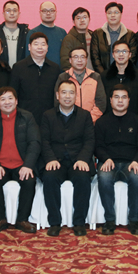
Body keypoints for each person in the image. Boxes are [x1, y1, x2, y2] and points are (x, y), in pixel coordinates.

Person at [0, 87, 40, 234]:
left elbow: (35, 142)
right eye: (3, 99)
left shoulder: (27, 117)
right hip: (0, 165)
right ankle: (0, 219)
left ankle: (22, 220)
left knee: (29, 181)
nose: (7, 102)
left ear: (16, 101)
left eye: (10, 98)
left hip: (22, 164)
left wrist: (28, 165)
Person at [39, 80, 96, 237]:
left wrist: (83, 159)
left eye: (71, 93)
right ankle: (54, 222)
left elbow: (89, 140)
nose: (67, 96)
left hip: (78, 160)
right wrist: (50, 159)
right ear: (58, 95)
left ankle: (79, 223)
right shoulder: (48, 115)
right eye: (64, 92)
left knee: (83, 179)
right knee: (49, 178)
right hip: (56, 160)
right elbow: (44, 141)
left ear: (76, 96)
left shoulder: (84, 115)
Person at [95, 85, 138, 235]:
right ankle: (109, 220)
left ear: (129, 100)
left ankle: (133, 220)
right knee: (104, 177)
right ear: (110, 100)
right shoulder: (101, 122)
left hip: (131, 163)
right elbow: (98, 146)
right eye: (116, 97)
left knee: (137, 178)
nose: (120, 101)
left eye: (124, 97)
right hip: (109, 162)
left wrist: (137, 161)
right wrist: (105, 158)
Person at [10, 32, 62, 126]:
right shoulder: (18, 67)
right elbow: (13, 93)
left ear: (47, 47)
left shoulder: (54, 68)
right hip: (24, 119)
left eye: (43, 44)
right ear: (29, 47)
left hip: (50, 119)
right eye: (36, 44)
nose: (40, 47)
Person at [54, 47, 107, 122]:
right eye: (76, 57)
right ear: (70, 60)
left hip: (91, 122)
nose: (79, 60)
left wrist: (88, 119)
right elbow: (58, 101)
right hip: (68, 122)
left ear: (86, 60)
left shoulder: (95, 76)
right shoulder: (63, 77)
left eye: (82, 57)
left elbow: (101, 103)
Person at [101, 39, 138, 116]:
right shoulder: (104, 76)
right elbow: (101, 101)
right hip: (109, 119)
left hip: (134, 120)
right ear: (113, 55)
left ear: (130, 54)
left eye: (124, 51)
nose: (121, 54)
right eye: (117, 51)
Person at [91, 1, 138, 74]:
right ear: (106, 15)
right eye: (109, 13)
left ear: (121, 14)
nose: (112, 15)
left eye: (116, 12)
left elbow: (132, 57)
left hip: (124, 74)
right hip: (103, 75)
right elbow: (95, 57)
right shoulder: (97, 34)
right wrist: (104, 75)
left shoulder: (130, 35)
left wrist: (121, 73)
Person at [0, 0, 29, 69]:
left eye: (14, 11)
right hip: (0, 70)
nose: (12, 13)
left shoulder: (26, 32)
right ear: (3, 14)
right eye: (8, 11)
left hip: (21, 70)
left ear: (19, 14)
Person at [27, 1, 67, 66]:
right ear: (40, 13)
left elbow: (66, 55)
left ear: (56, 12)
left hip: (60, 71)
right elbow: (28, 56)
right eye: (45, 11)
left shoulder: (62, 32)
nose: (48, 13)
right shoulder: (33, 32)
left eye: (51, 10)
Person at [60, 7, 94, 71]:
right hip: (77, 75)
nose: (82, 20)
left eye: (84, 17)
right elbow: (65, 61)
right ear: (73, 21)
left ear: (89, 19)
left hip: (94, 74)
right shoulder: (69, 38)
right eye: (78, 18)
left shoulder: (94, 36)